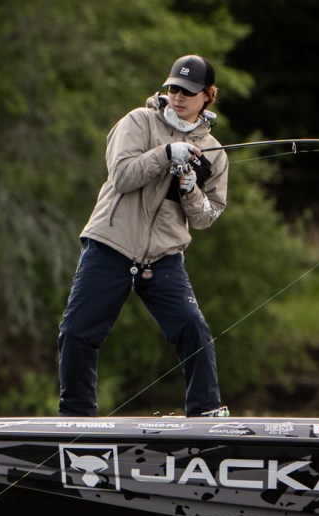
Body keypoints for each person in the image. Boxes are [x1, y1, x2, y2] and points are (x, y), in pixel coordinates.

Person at [58, 54, 229, 418]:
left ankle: (206, 413)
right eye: (173, 88)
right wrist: (166, 154)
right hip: (110, 244)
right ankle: (76, 417)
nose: (178, 96)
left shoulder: (215, 154)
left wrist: (189, 189)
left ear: (207, 96)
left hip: (164, 257)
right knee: (77, 332)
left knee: (194, 330)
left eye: (188, 91)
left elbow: (206, 217)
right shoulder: (138, 121)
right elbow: (122, 176)